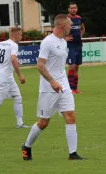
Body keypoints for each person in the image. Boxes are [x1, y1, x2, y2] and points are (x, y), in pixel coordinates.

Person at [22, 14, 85, 161]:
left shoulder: (63, 42)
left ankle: (73, 153)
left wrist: (60, 81)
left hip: (63, 86)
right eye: (70, 25)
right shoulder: (47, 42)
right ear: (63, 26)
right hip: (48, 88)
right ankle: (27, 146)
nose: (72, 27)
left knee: (70, 115)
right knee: (43, 122)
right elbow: (40, 65)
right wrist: (52, 81)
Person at [66, 2, 85, 94]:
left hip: (78, 45)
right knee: (72, 66)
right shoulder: (66, 19)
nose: (73, 9)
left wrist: (80, 36)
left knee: (77, 67)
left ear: (77, 9)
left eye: (75, 8)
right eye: (71, 8)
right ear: (69, 9)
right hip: (70, 46)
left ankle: (75, 88)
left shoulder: (79, 18)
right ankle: (70, 89)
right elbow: (59, 30)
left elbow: (82, 28)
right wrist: (64, 38)